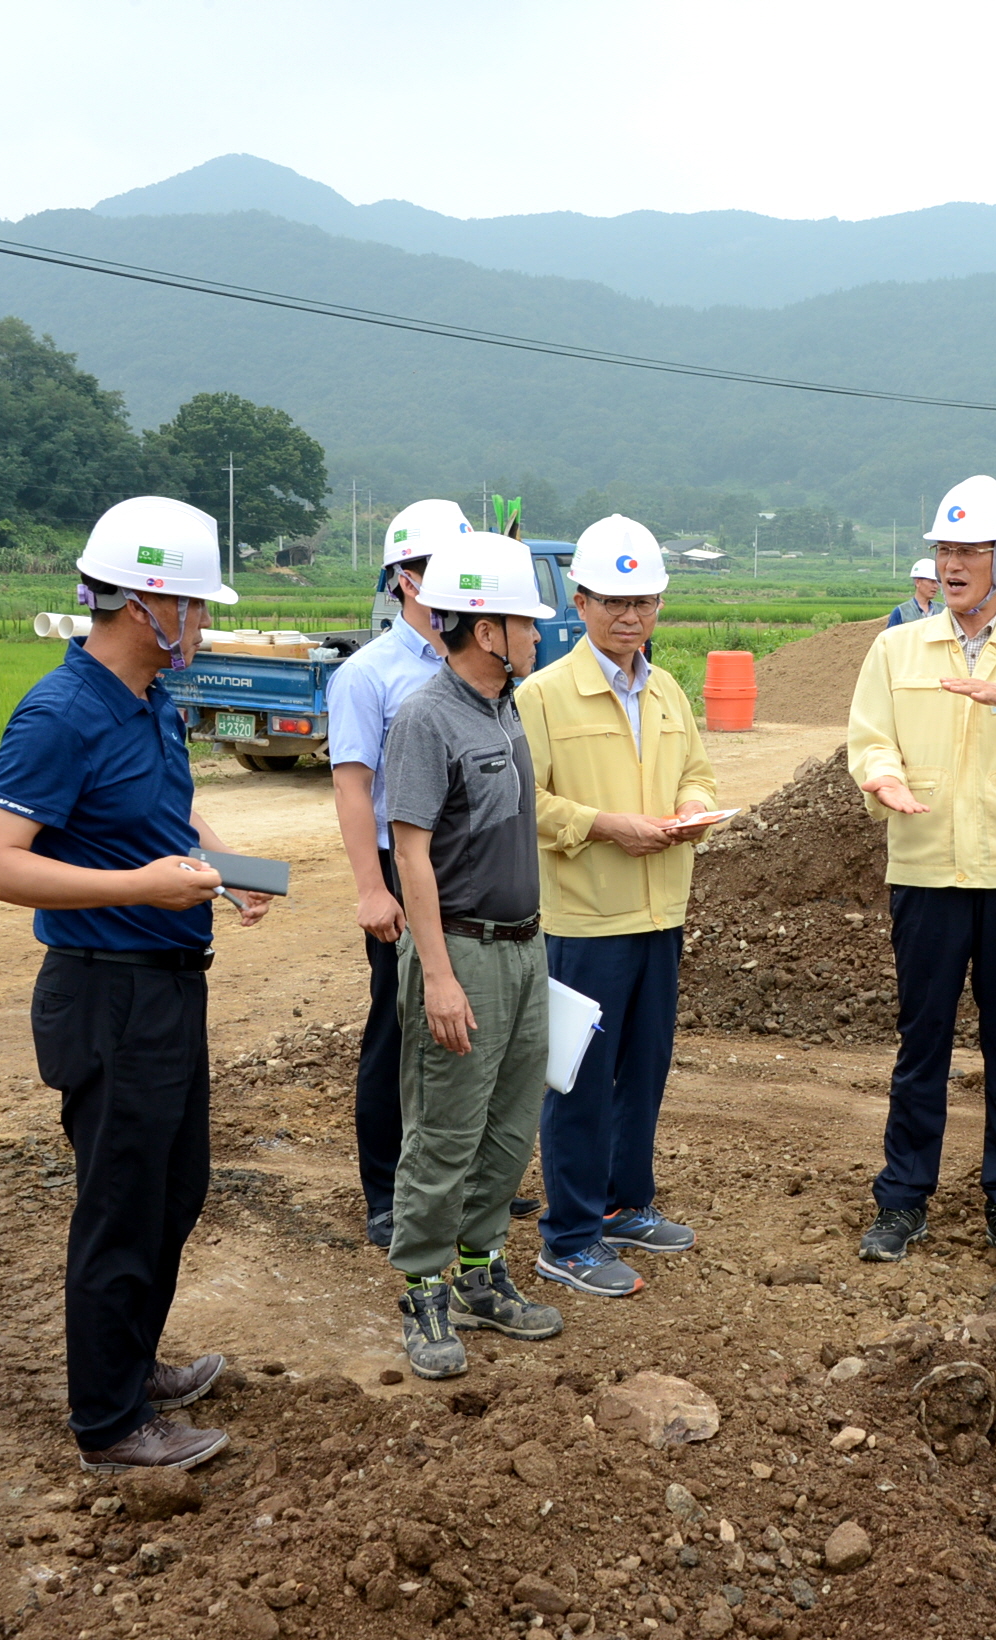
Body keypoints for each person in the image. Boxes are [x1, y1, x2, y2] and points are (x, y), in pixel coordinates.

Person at [0, 495, 273, 1471]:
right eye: (195, 604)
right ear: (147, 604)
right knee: (122, 1203)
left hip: (172, 982)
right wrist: (137, 886)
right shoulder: (59, 712)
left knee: (174, 1189)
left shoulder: (152, 703)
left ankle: (134, 1364)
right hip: (106, 993)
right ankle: (108, 1423)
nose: (205, 623)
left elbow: (173, 818)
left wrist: (228, 865)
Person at [848, 475, 996, 1274]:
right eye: (944, 550)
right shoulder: (896, 647)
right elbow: (870, 736)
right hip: (923, 871)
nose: (951, 565)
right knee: (921, 1044)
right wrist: (880, 776)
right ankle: (901, 1199)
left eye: (969, 552)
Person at [513, 517, 720, 1299]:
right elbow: (520, 800)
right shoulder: (543, 694)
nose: (628, 617)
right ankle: (567, 1238)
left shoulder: (663, 688)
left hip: (660, 911)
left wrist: (691, 809)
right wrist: (603, 826)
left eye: (643, 602)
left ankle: (625, 1204)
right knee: (576, 1080)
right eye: (611, 602)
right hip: (582, 920)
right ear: (580, 602)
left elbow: (697, 770)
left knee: (643, 1071)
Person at [380, 531, 568, 1378]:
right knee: (445, 1130)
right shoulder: (426, 717)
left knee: (507, 1124)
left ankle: (479, 1271)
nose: (538, 634)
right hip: (459, 950)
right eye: (526, 623)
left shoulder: (505, 707)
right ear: (485, 630)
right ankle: (422, 1289)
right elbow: (410, 853)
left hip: (523, 951)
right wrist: (441, 979)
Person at [327, 499, 463, 1250]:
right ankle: (386, 1191)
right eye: (447, 574)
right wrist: (370, 888)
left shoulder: (477, 664)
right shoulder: (367, 676)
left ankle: (457, 1177)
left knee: (469, 1023)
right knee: (401, 1022)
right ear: (406, 580)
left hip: (466, 861)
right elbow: (352, 788)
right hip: (398, 863)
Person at [886, 558, 941, 627]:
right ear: (917, 582)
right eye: (932, 581)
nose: (936, 586)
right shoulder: (901, 612)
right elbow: (890, 637)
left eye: (937, 582)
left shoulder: (943, 611)